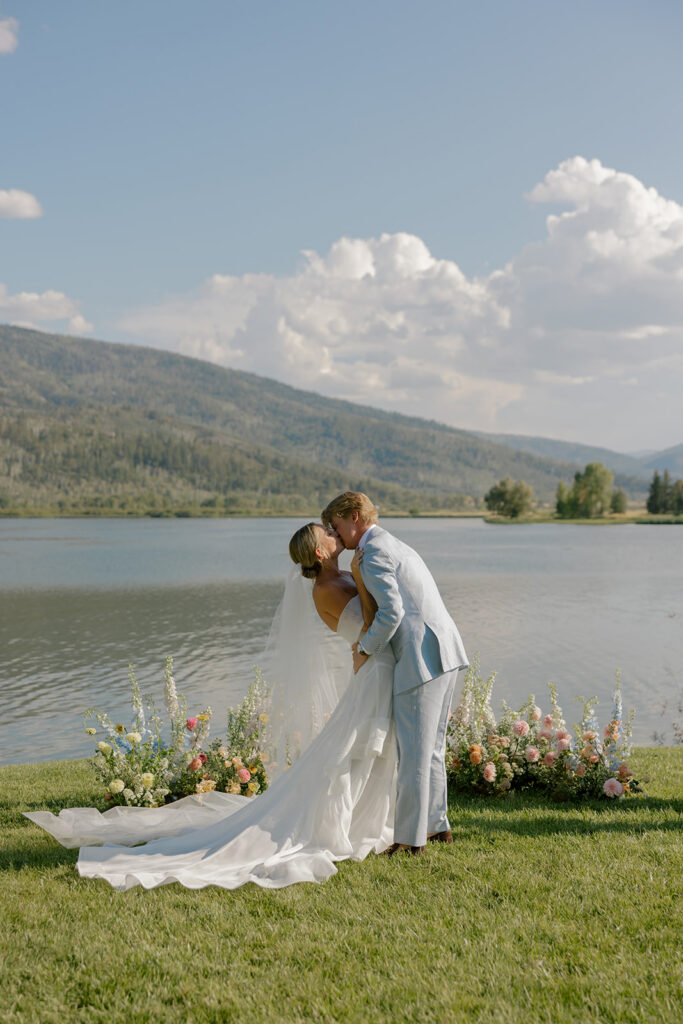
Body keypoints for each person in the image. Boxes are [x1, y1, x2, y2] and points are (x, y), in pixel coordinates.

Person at [24, 523, 398, 891]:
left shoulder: (340, 578)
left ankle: (382, 812)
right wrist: (360, 576)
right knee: (352, 752)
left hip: (375, 670)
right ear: (319, 551)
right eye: (328, 533)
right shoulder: (326, 589)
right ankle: (350, 822)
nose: (335, 533)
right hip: (373, 674)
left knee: (359, 749)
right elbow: (371, 623)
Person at [322, 491, 468, 855]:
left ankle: (409, 841)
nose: (335, 534)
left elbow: (391, 614)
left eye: (336, 526)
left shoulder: (373, 553)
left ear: (354, 516)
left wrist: (364, 649)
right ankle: (437, 828)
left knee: (413, 753)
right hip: (443, 650)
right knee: (430, 750)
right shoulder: (392, 543)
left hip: (419, 656)